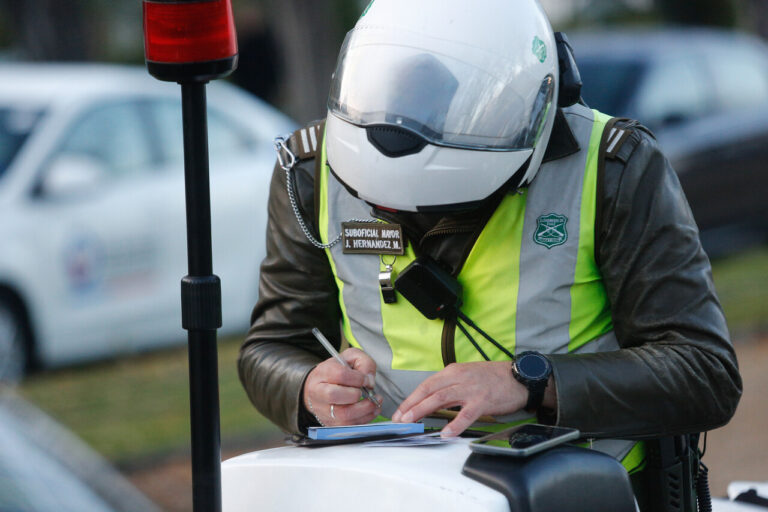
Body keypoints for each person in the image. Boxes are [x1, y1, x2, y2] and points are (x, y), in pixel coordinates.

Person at [239, 0, 741, 506]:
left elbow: (703, 373)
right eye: (377, 202)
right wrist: (307, 387)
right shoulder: (310, 169)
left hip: (586, 494)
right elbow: (270, 348)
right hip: (389, 491)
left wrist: (529, 383)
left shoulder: (614, 167)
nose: (403, 216)